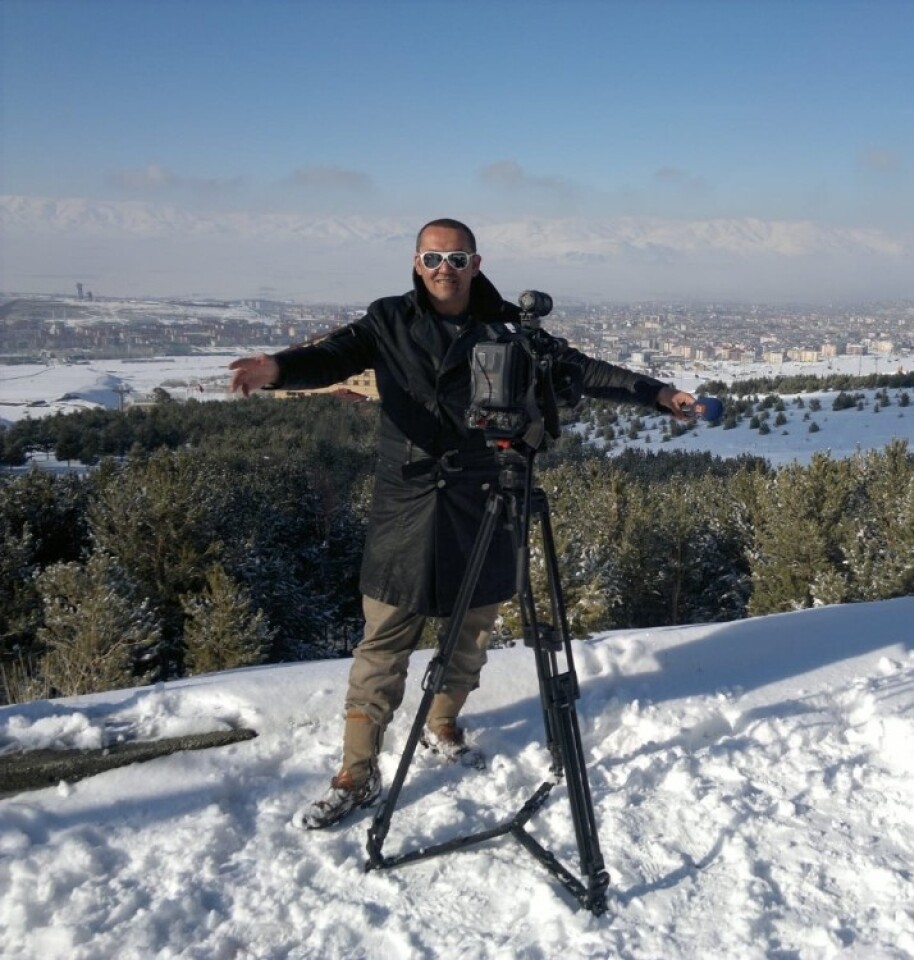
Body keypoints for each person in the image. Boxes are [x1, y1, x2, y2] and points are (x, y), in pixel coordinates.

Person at [229, 218, 695, 829]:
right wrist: (278, 369)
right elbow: (330, 357)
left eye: (456, 258)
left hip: (486, 491)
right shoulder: (388, 318)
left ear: (476, 263)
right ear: (415, 264)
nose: (444, 269)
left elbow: (582, 371)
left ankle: (441, 721)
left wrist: (659, 394)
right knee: (386, 637)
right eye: (432, 258)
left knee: (472, 627)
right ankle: (356, 771)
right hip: (409, 497)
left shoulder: (507, 327)